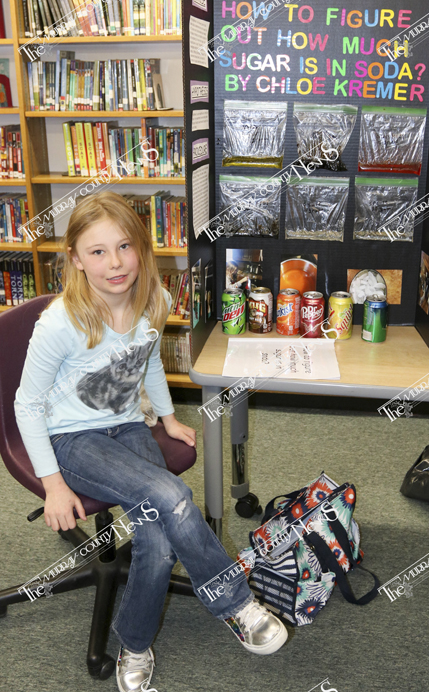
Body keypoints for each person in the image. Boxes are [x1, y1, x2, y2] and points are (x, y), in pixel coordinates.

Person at [14, 192, 287, 692]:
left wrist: (167, 418)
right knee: (173, 495)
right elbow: (26, 405)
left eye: (124, 246)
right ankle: (237, 604)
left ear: (141, 247)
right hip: (72, 440)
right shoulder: (60, 322)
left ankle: (134, 643)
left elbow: (149, 361)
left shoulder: (152, 300)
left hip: (129, 425)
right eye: (98, 252)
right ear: (76, 259)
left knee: (157, 542)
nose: (115, 262)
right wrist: (52, 485)